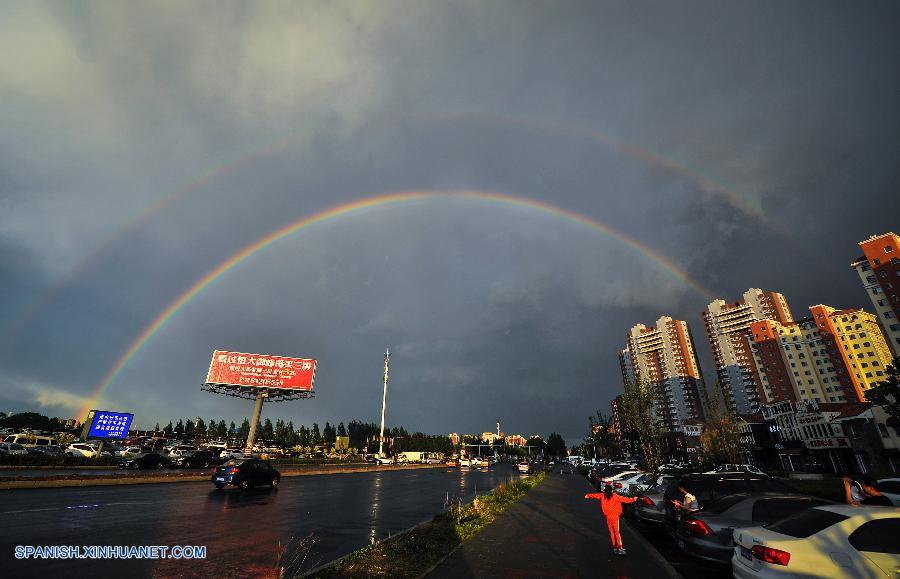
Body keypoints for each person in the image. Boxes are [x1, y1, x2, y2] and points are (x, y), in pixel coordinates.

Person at [585, 483, 637, 555]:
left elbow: (595, 495)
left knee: (612, 533)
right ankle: (620, 548)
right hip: (615, 517)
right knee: (617, 532)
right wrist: (633, 499)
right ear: (611, 490)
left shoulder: (602, 496)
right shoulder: (615, 496)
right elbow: (626, 500)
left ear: (605, 490)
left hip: (608, 517)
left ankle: (615, 548)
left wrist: (588, 495)